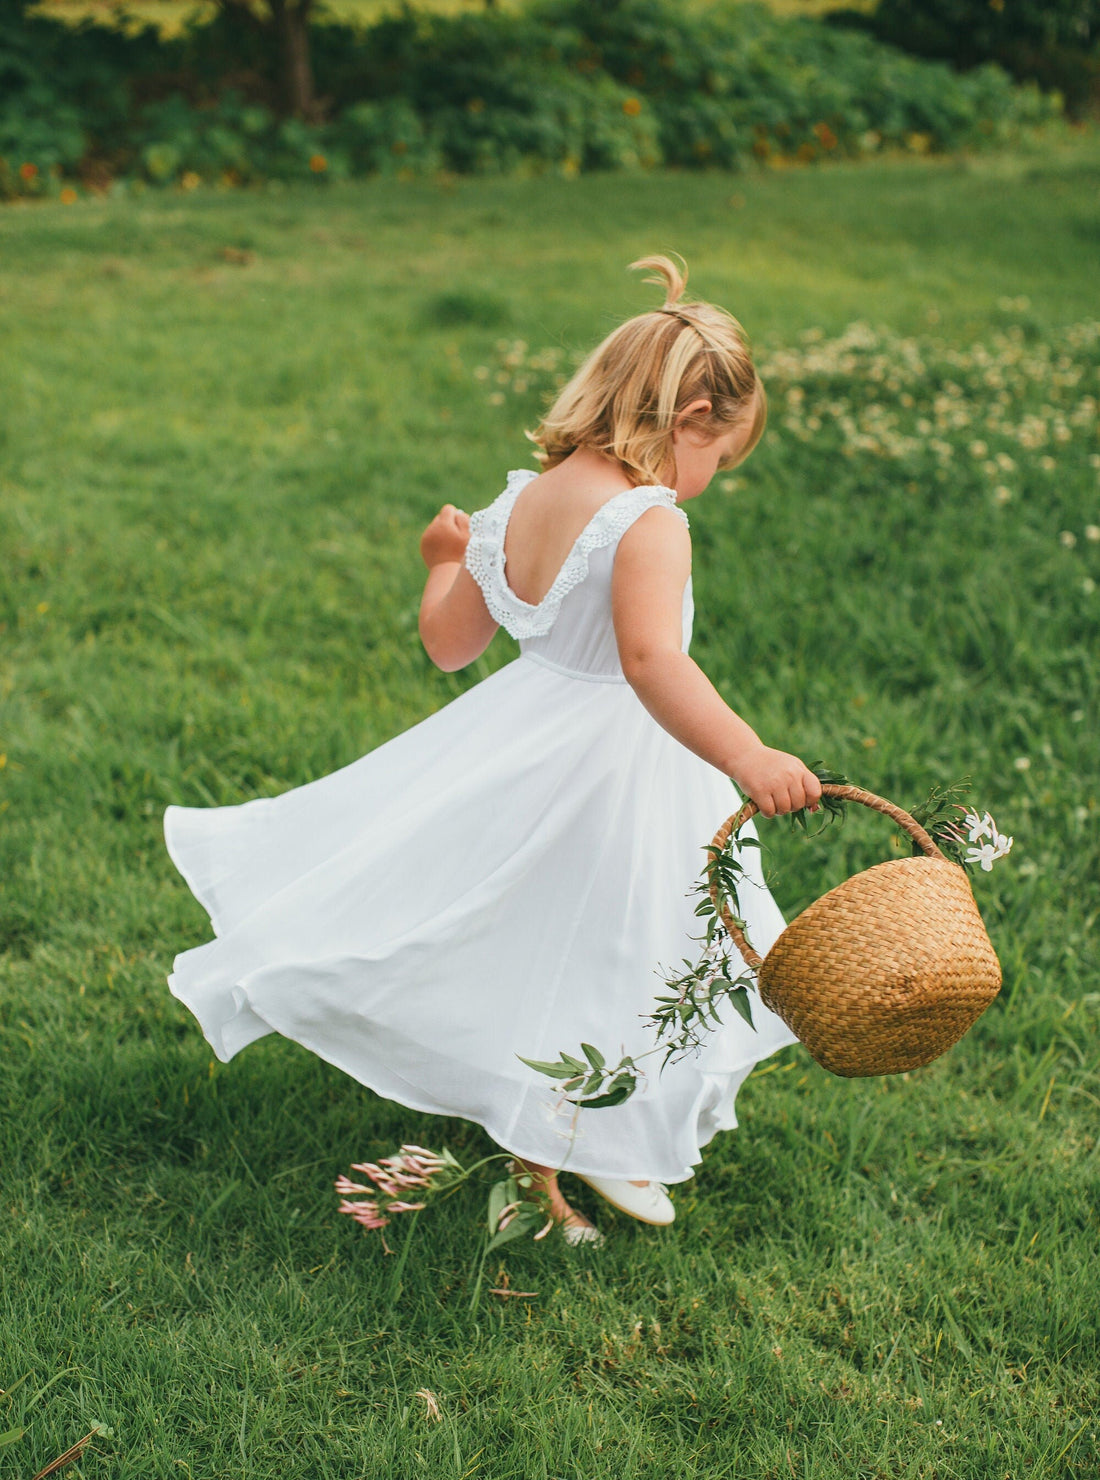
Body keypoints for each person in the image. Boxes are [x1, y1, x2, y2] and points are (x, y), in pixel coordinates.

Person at [165, 255, 821, 1246]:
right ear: (691, 420)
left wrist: (440, 563)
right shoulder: (648, 522)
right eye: (717, 459)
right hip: (618, 768)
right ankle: (540, 1178)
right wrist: (747, 754)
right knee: (613, 946)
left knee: (575, 944)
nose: (709, 482)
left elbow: (450, 644)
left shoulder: (520, 501)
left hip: (523, 743)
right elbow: (650, 664)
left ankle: (606, 1134)